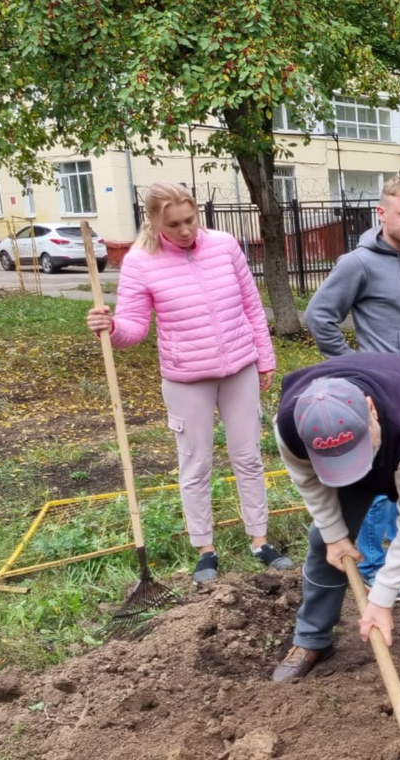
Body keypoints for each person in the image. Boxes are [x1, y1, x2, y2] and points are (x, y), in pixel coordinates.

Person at [85, 180, 293, 584]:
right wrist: (110, 326)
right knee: (196, 462)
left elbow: (251, 304)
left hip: (239, 367)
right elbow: (134, 329)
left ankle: (260, 541)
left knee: (248, 457)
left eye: (190, 220)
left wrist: (264, 359)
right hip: (186, 378)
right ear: (155, 222)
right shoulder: (141, 262)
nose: (185, 231)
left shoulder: (225, 245)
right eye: (175, 224)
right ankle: (205, 549)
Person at [270, 352, 400, 717]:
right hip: (375, 440)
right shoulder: (291, 427)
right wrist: (334, 535)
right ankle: (311, 640)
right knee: (323, 541)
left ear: (371, 410)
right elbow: (309, 483)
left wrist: (382, 598)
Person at [305, 175, 400, 602]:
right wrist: (353, 367)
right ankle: (377, 570)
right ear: (381, 214)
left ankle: (398, 560)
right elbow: (319, 317)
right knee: (380, 482)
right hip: (381, 391)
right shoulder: (356, 263)